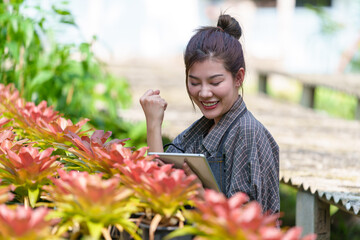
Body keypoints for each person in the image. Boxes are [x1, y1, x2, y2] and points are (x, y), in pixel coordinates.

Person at [140, 14, 279, 214]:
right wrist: (153, 124)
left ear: (238, 77)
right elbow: (159, 190)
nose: (204, 93)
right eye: (194, 82)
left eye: (215, 82)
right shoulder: (199, 131)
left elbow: (249, 225)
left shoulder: (248, 133)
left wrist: (202, 197)